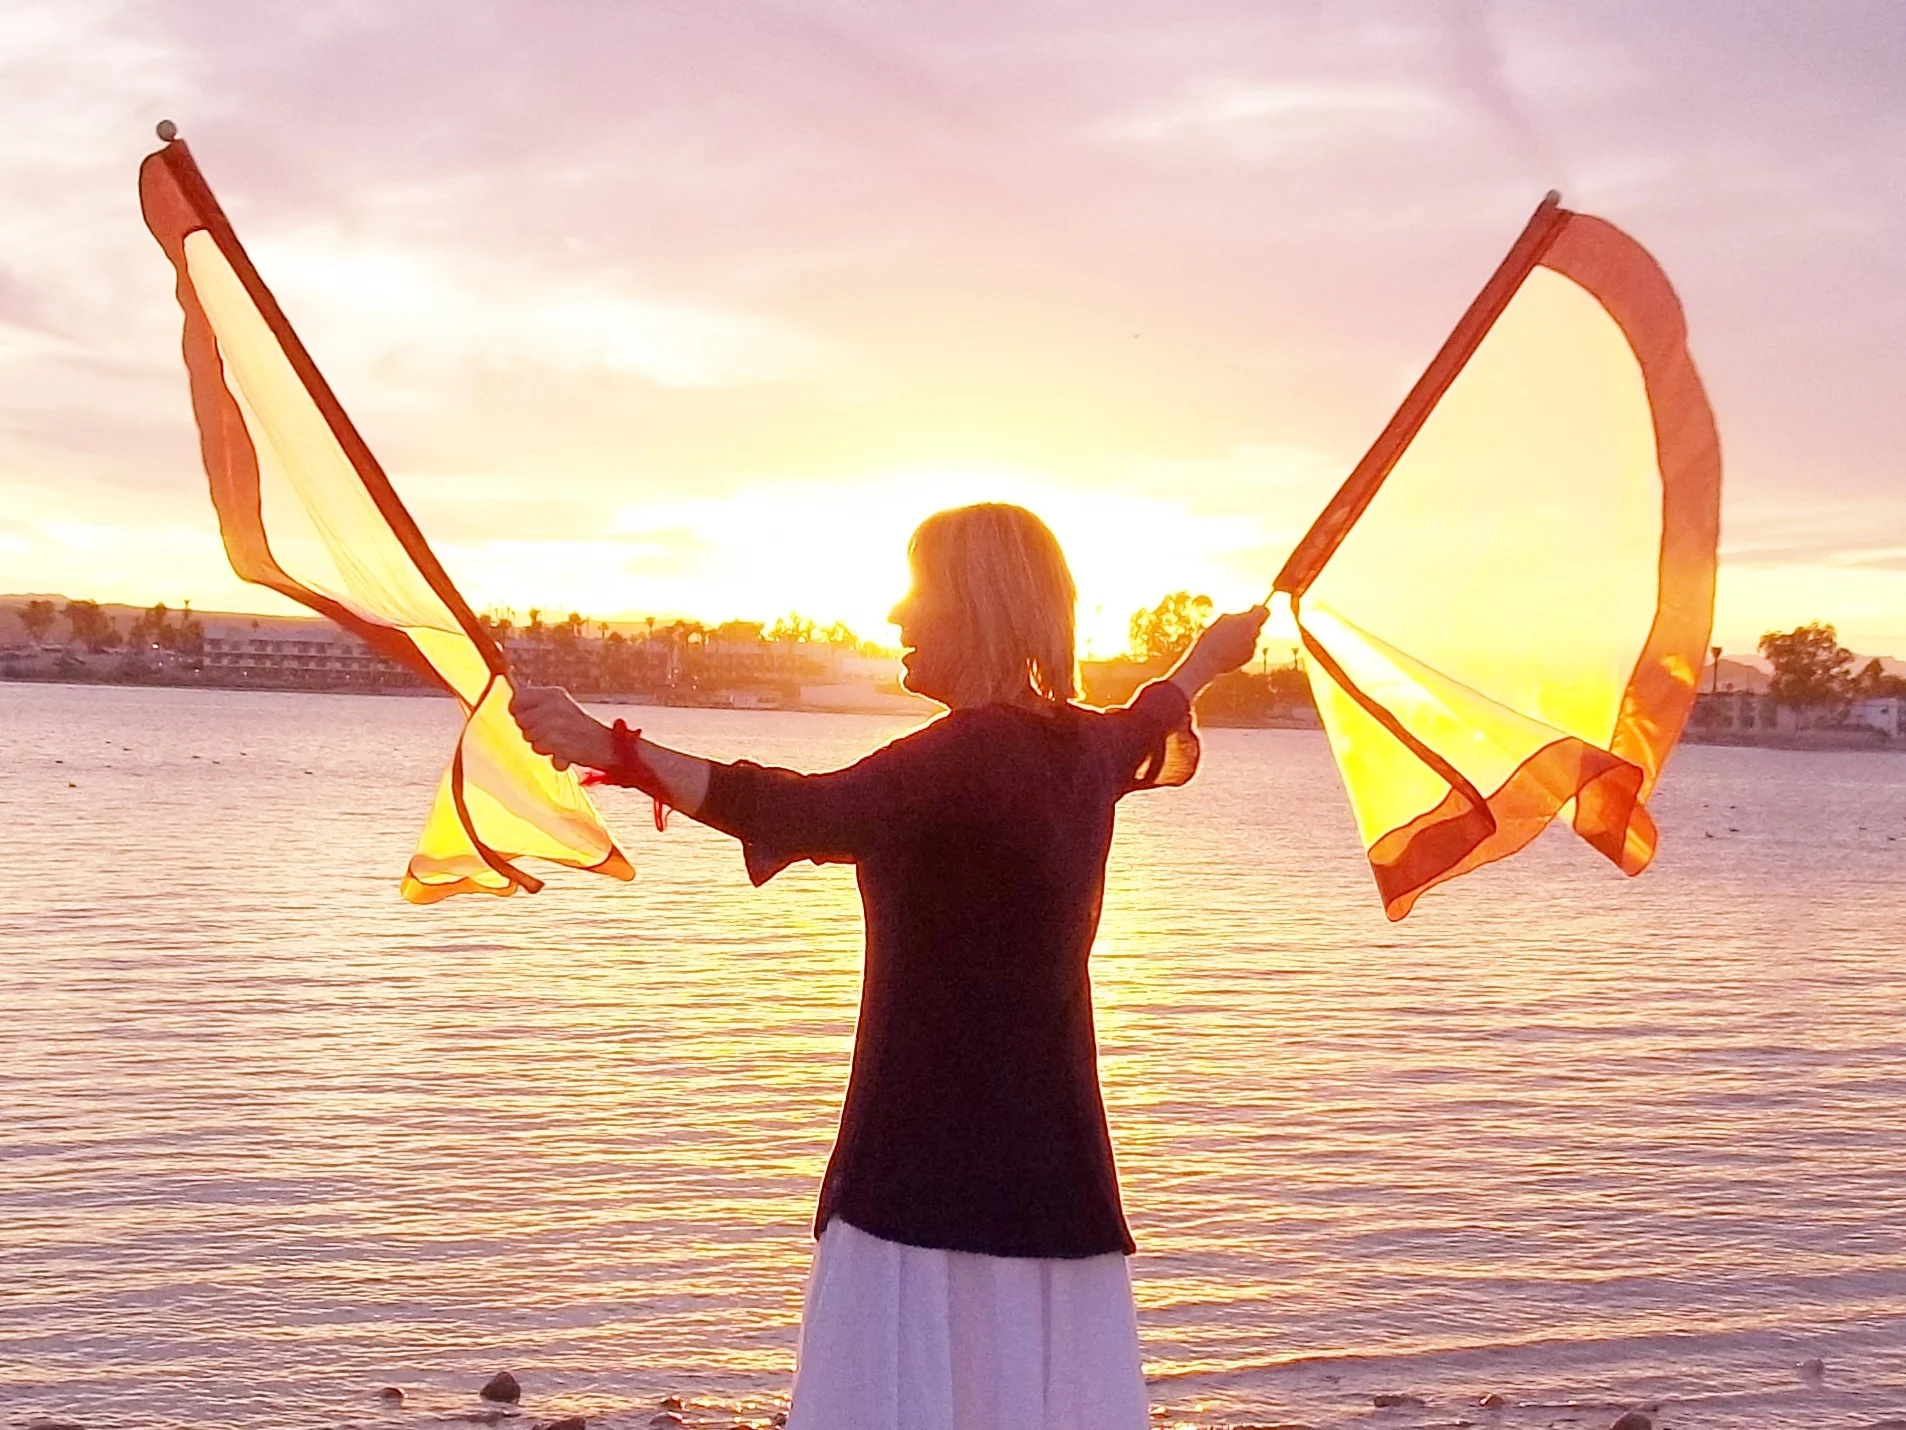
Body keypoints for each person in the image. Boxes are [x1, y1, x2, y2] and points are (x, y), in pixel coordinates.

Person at [511, 503, 1266, 1430]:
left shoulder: (963, 756)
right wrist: (1208, 654)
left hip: (918, 1175)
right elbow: (1154, 713)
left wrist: (611, 748)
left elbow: (795, 812)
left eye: (917, 591)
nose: (896, 617)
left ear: (973, 604)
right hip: (1051, 1177)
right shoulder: (1080, 749)